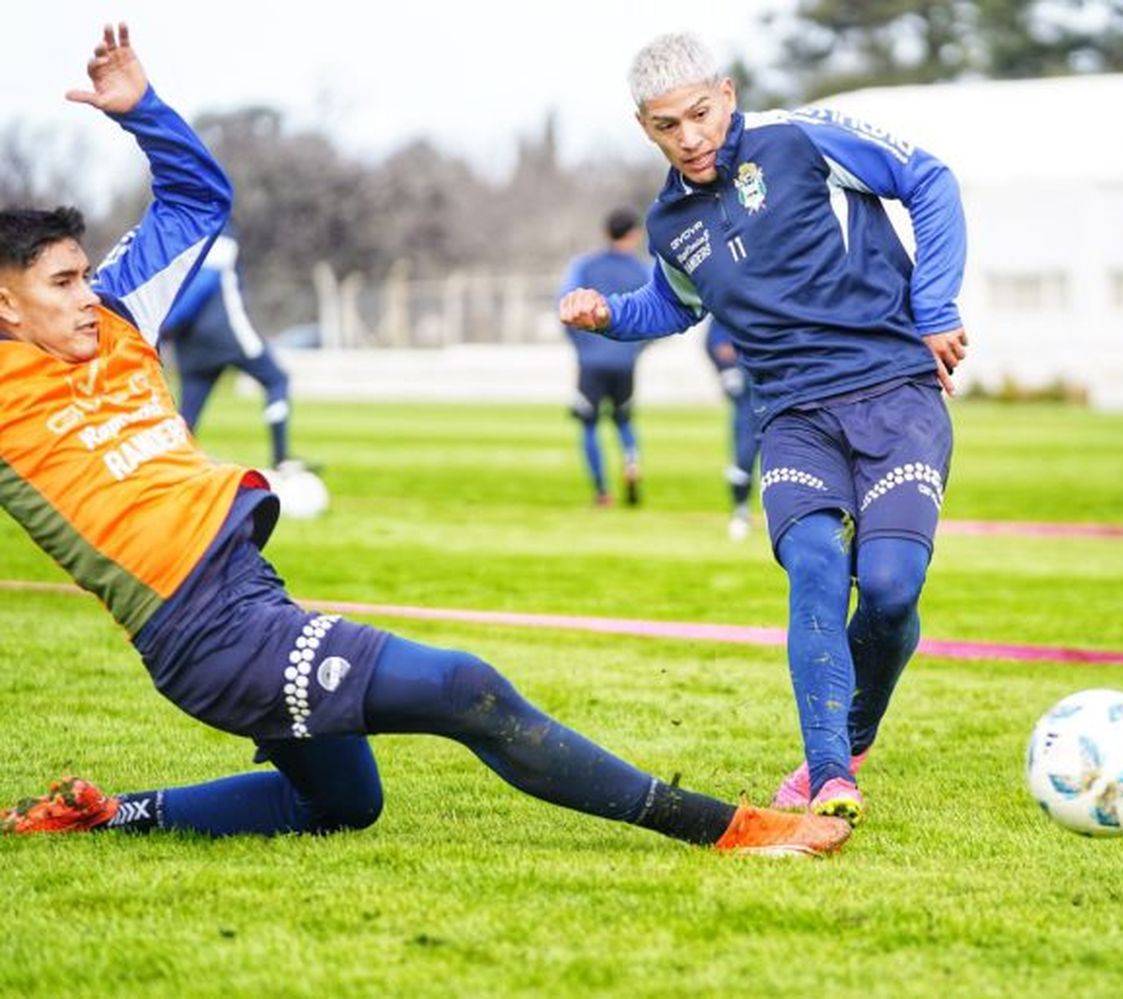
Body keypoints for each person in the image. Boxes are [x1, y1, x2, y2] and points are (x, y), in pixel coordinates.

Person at [0, 25, 848, 860]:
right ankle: (725, 829)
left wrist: (143, 109)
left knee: (342, 802)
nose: (87, 295)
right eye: (62, 282)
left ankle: (107, 816)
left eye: (85, 275)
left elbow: (196, 203)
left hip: (251, 595)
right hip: (203, 632)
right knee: (464, 687)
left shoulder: (116, 320)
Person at [559, 33, 969, 825]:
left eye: (701, 114)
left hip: (895, 397)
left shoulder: (802, 137)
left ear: (729, 93)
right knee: (815, 564)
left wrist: (937, 307)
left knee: (888, 589)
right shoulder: (670, 221)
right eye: (667, 126)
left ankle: (854, 734)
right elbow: (673, 305)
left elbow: (930, 180)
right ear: (645, 127)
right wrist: (609, 315)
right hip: (790, 417)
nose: (691, 137)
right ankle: (828, 774)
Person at [161, 229, 299, 472]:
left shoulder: (173, 231)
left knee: (187, 418)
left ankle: (164, 473)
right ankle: (281, 459)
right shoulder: (215, 225)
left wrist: (165, 327)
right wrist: (168, 324)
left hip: (189, 344)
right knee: (277, 379)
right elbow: (205, 283)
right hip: (229, 334)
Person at [559, 209, 650, 506]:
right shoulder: (642, 270)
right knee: (624, 421)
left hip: (591, 360)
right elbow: (656, 314)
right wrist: (635, 347)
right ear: (634, 234)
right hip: (625, 360)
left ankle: (602, 491)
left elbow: (564, 305)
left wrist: (582, 345)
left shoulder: (584, 266)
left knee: (589, 425)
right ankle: (631, 463)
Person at [704, 317, 759, 540]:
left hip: (781, 385)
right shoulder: (731, 289)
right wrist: (725, 368)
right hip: (748, 386)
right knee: (744, 453)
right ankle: (741, 510)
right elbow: (713, 341)